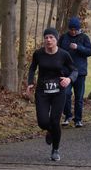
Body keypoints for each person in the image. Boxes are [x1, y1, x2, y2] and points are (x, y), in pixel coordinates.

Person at [26, 27, 78, 161]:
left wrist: (69, 79)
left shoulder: (64, 54)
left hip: (58, 93)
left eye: (51, 38)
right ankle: (50, 130)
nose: (48, 40)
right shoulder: (38, 54)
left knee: (55, 121)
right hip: (42, 92)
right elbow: (32, 68)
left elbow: (74, 70)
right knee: (43, 122)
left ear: (56, 40)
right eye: (46, 38)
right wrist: (30, 82)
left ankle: (55, 149)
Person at [58, 17, 91, 127]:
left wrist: (78, 47)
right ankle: (68, 115)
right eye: (71, 29)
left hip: (80, 72)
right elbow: (58, 50)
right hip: (66, 72)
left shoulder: (84, 38)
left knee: (79, 97)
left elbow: (90, 51)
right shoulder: (64, 37)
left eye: (75, 30)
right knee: (66, 94)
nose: (73, 32)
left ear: (79, 29)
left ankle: (78, 119)